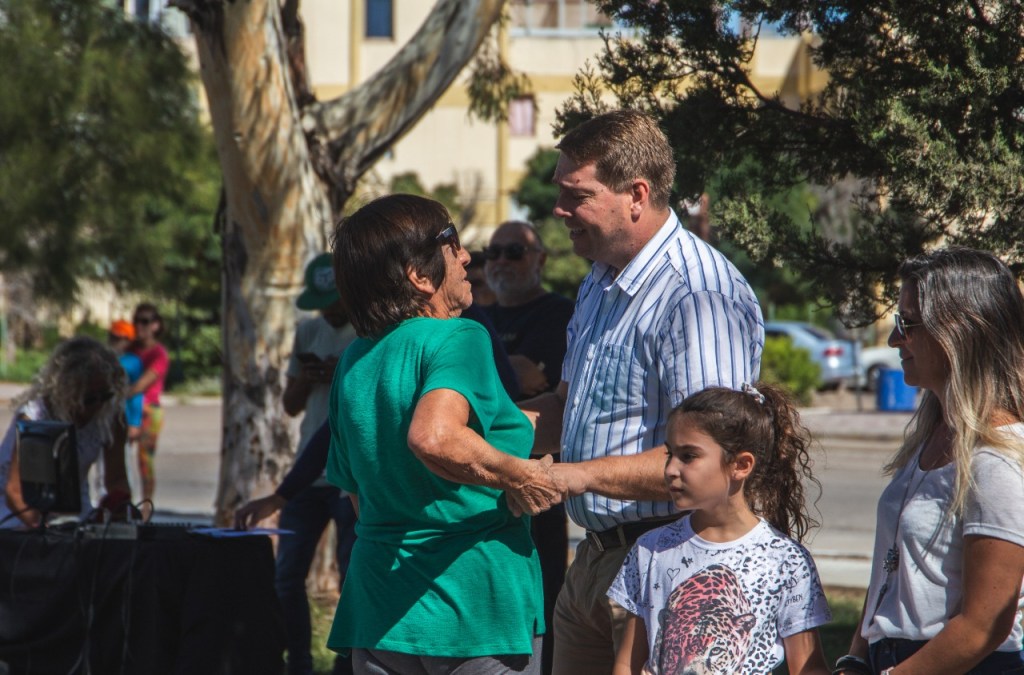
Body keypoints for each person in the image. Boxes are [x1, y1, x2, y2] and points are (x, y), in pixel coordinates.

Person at [518, 109, 765, 674]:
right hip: (596, 561)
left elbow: (709, 463)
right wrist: (470, 437)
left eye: (575, 194)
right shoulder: (599, 281)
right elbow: (564, 407)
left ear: (636, 194)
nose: (559, 210)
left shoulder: (696, 294)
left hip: (674, 560)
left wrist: (570, 476)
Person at [326, 193, 562, 674]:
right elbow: (433, 437)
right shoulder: (461, 336)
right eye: (452, 242)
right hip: (473, 611)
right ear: (419, 274)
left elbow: (356, 490)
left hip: (380, 613)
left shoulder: (355, 358)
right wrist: (518, 476)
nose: (467, 256)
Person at [834, 247, 1024, 675]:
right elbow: (892, 568)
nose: (893, 339)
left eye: (908, 323)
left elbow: (984, 626)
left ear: (960, 330)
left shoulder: (998, 460)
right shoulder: (935, 434)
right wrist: (855, 658)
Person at [608, 383, 830, 674]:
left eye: (688, 456)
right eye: (669, 454)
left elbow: (808, 667)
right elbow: (627, 663)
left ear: (740, 465)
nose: (671, 469)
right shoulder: (652, 549)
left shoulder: (786, 561)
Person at [238, 252, 359, 675]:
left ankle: (348, 665)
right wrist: (309, 376)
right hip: (309, 471)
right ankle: (299, 663)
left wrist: (340, 372)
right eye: (321, 300)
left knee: (352, 579)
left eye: (333, 298)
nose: (328, 309)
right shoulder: (307, 331)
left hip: (350, 478)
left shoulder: (367, 330)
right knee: (287, 576)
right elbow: (289, 406)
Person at [484, 219, 575, 675]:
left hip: (538, 478)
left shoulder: (561, 314)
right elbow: (518, 377)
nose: (500, 261)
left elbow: (547, 387)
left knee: (544, 594)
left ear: (540, 260)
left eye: (514, 252)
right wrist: (515, 371)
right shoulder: (475, 318)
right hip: (481, 480)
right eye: (492, 252)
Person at [0, 337, 132, 527]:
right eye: (88, 398)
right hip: (16, 508)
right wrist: (42, 532)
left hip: (72, 509)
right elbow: (14, 490)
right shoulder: (35, 416)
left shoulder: (110, 417)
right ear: (67, 391)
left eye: (106, 395)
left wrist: (119, 507)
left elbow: (117, 478)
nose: (97, 404)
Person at [128, 303, 169, 505]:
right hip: (127, 408)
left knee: (145, 462)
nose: (139, 326)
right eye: (136, 321)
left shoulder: (158, 353)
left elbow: (142, 384)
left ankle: (145, 508)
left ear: (155, 325)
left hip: (148, 410)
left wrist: (118, 395)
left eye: (145, 321)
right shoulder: (130, 348)